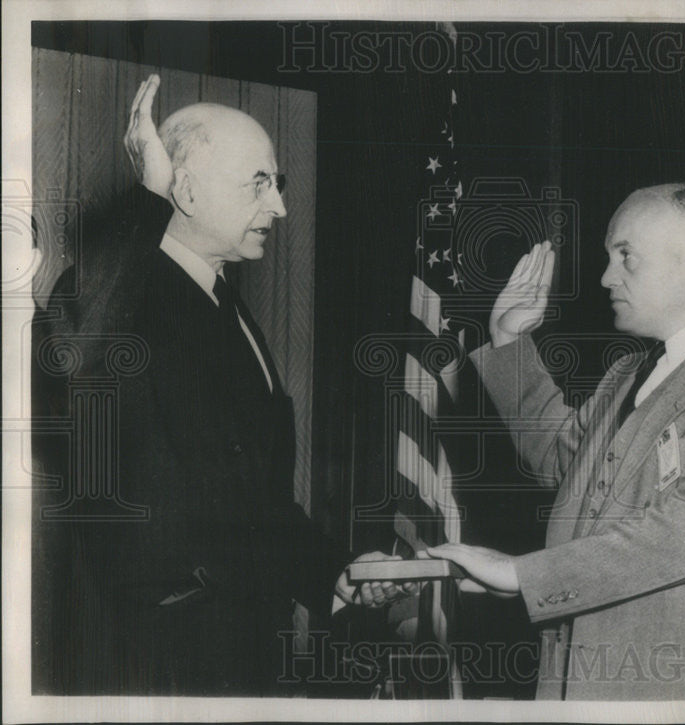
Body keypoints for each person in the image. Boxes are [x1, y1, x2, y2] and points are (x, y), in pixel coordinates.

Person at [40, 76, 410, 695]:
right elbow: (73, 357)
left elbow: (253, 506)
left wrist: (337, 576)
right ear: (184, 190)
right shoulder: (117, 296)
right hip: (153, 670)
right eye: (258, 184)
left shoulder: (225, 305)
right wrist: (145, 197)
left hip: (241, 657)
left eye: (279, 183)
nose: (281, 208)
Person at [427, 185, 685, 700]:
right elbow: (564, 463)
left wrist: (523, 574)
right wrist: (509, 342)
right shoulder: (629, 373)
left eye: (625, 256)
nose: (606, 277)